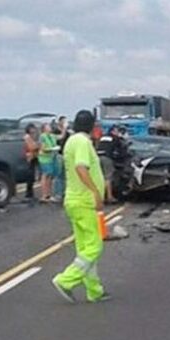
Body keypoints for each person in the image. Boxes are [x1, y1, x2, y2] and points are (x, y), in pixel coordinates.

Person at [52, 110, 110, 304]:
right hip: (84, 201)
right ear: (92, 126)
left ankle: (94, 290)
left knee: (84, 249)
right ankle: (66, 280)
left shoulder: (71, 141)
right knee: (94, 246)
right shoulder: (83, 143)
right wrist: (95, 192)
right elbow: (81, 167)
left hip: (73, 200)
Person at [38, 123, 59, 202]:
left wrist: (64, 128)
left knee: (50, 176)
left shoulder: (52, 136)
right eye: (48, 126)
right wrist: (53, 149)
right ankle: (44, 195)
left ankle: (48, 194)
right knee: (45, 175)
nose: (50, 127)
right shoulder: (42, 136)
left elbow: (61, 136)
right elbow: (43, 149)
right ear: (44, 129)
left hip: (51, 158)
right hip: (44, 158)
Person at [53, 116, 70, 202]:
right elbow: (61, 137)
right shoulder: (55, 131)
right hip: (59, 155)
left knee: (65, 175)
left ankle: (64, 193)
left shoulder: (67, 132)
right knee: (58, 175)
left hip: (66, 154)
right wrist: (64, 129)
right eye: (63, 121)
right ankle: (57, 194)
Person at [22, 124, 39, 201]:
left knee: (32, 177)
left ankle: (30, 194)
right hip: (29, 158)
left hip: (33, 157)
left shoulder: (32, 137)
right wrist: (38, 145)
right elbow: (32, 147)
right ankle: (28, 195)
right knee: (30, 176)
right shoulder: (27, 137)